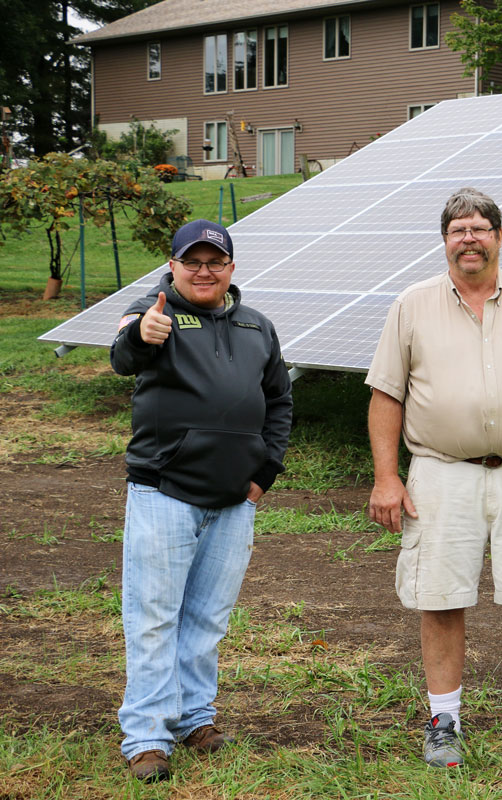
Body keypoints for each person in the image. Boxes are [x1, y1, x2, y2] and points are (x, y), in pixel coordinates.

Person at [366, 188, 502, 768]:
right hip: (441, 473)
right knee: (440, 596)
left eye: (480, 228)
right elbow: (386, 393)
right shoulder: (412, 305)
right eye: (458, 229)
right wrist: (387, 478)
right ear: (445, 241)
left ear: (498, 236)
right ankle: (444, 720)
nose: (470, 238)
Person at [110, 219, 293, 782]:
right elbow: (124, 355)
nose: (204, 270)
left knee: (207, 619)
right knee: (153, 618)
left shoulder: (257, 326)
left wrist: (265, 472)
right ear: (173, 266)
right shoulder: (158, 316)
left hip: (235, 501)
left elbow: (279, 403)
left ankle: (194, 718)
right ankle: (145, 737)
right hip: (165, 492)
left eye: (216, 261)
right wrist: (142, 330)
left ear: (232, 269)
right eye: (193, 261)